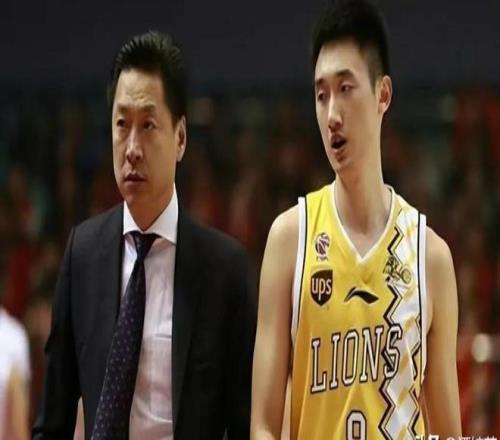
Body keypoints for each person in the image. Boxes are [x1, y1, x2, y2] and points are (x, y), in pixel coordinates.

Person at [251, 0, 462, 438]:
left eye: (346, 88)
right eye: (321, 94)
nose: (332, 115)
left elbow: (448, 434)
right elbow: (263, 426)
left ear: (383, 94)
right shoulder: (289, 240)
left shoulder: (430, 258)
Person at [33, 31, 256, 440]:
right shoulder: (82, 254)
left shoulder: (225, 271)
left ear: (180, 138)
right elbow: (53, 422)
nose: (132, 148)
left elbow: (245, 426)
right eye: (122, 125)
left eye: (148, 125)